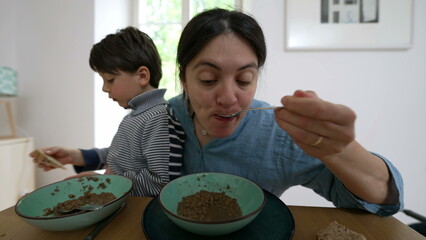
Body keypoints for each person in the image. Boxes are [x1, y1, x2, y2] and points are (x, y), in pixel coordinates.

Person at [35, 9, 403, 216]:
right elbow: (133, 155)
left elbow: (381, 201)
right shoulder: (163, 116)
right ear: (183, 78)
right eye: (209, 79)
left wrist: (340, 151)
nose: (229, 98)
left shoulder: (279, 133)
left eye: (244, 79)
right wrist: (85, 157)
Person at [31, 27, 185, 197]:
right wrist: (76, 156)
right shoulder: (139, 115)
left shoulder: (158, 118)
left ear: (142, 76)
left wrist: (106, 181)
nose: (105, 88)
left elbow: (161, 184)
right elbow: (122, 157)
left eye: (110, 80)